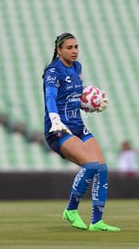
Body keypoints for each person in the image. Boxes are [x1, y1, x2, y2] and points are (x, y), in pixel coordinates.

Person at [42, 32, 120, 231]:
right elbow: (51, 98)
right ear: (59, 50)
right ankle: (71, 210)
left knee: (102, 168)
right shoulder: (53, 71)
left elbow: (74, 94)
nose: (74, 51)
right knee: (90, 165)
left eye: (76, 47)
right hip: (59, 128)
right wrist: (55, 119)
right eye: (69, 48)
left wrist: (92, 103)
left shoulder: (78, 67)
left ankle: (97, 221)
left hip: (77, 125)